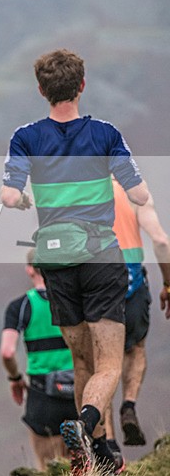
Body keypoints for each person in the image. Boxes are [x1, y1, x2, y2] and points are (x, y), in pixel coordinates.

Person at [1, 48, 151, 475]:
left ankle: (97, 451)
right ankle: (86, 427)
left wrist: (28, 199)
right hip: (100, 254)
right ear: (82, 85)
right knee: (109, 362)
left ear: (41, 90)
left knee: (81, 360)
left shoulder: (25, 138)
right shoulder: (105, 134)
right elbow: (139, 195)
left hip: (55, 258)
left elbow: (9, 196)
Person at [103, 179, 170, 459]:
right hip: (132, 279)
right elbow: (161, 241)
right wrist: (168, 284)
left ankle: (108, 443)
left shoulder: (79, 185)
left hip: (96, 279)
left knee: (100, 362)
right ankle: (128, 405)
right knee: (135, 347)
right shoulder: (134, 191)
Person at [0, 250, 77, 472]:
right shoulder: (74, 300)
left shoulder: (22, 306)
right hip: (79, 392)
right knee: (85, 465)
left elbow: (7, 352)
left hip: (43, 396)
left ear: (30, 270)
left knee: (46, 468)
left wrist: (15, 378)